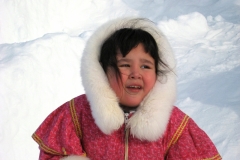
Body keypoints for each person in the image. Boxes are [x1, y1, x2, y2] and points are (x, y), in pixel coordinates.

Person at [32, 18, 221, 160]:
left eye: (146, 66)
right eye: (124, 65)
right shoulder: (78, 114)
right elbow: (54, 155)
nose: (135, 73)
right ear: (101, 72)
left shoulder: (173, 123)